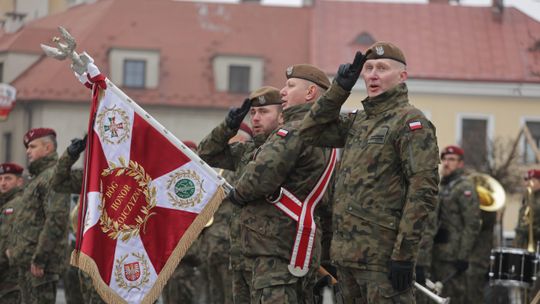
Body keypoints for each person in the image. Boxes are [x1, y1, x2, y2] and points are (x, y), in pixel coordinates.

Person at [300, 41, 440, 303]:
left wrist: (404, 255)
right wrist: (339, 89)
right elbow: (309, 131)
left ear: (402, 76)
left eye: (382, 68)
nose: (373, 75)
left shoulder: (410, 122)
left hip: (382, 259)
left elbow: (423, 192)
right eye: (369, 68)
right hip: (347, 256)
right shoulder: (359, 120)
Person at [226, 65, 333, 303]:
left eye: (290, 86)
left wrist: (236, 194)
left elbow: (258, 178)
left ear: (310, 93)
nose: (283, 92)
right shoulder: (329, 135)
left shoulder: (293, 131)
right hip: (302, 245)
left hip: (275, 244)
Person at [197, 86, 283, 304]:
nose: (255, 118)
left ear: (282, 116)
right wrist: (229, 126)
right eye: (253, 112)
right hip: (239, 256)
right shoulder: (246, 151)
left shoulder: (286, 148)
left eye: (263, 112)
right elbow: (205, 154)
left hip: (271, 257)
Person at [8, 128, 71, 304]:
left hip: (40, 267)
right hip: (28, 262)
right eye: (27, 147)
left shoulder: (53, 177)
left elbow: (56, 220)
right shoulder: (37, 178)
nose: (28, 151)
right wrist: (15, 248)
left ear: (48, 148)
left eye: (33, 146)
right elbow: (28, 220)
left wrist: (40, 258)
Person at [199, 122, 252, 304]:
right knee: (215, 298)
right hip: (213, 249)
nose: (230, 144)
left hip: (230, 247)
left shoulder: (244, 164)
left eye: (235, 140)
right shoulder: (223, 169)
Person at [51, 135, 105, 304]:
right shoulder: (90, 177)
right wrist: (70, 155)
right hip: (87, 256)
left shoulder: (132, 174)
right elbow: (58, 182)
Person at [431, 145, 480, 304]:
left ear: (460, 164)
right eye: (444, 159)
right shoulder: (442, 185)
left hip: (454, 257)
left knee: (453, 297)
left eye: (451, 159)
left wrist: (463, 256)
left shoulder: (464, 187)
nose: (446, 163)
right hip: (438, 253)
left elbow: (471, 224)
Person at [514, 169, 540, 302]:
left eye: (532, 180)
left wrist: (531, 229)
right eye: (526, 180)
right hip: (523, 248)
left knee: (533, 288)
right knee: (523, 286)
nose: (528, 184)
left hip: (535, 249)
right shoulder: (527, 198)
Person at [0, 163, 24, 303]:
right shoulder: (3, 204)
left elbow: (10, 240)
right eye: (1, 179)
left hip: (11, 276)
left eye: (8, 178)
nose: (3, 183)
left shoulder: (20, 204)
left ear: (19, 181)